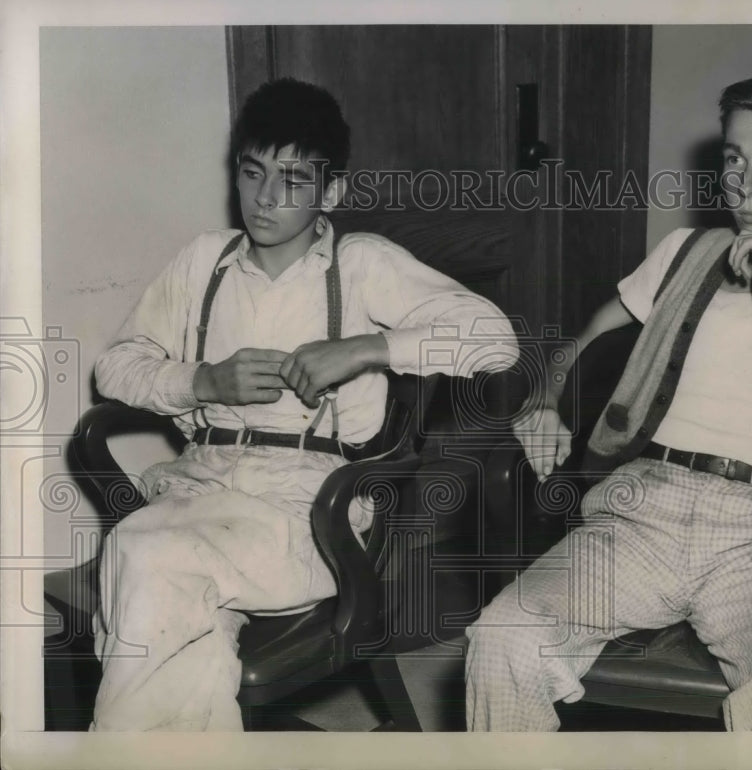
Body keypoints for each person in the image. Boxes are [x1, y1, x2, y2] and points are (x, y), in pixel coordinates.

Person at [464, 69, 752, 731]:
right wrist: (543, 401)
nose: (747, 182)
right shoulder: (685, 251)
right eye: (735, 158)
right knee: (503, 637)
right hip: (639, 510)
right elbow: (579, 345)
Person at [91, 78, 517, 731]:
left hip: (311, 518)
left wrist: (366, 349)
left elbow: (496, 342)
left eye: (293, 179)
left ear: (331, 192)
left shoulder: (362, 264)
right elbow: (115, 367)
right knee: (177, 623)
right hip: (198, 494)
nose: (265, 198)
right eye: (253, 172)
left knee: (141, 557)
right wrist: (203, 382)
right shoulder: (203, 262)